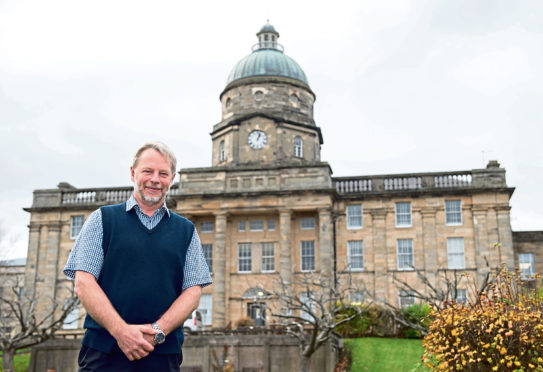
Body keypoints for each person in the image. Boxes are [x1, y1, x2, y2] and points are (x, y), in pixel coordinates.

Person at [64, 141, 212, 372]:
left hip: (162, 353)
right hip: (104, 350)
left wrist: (157, 332)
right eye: (148, 171)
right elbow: (83, 283)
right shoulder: (102, 219)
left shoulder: (186, 230)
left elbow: (193, 292)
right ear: (133, 173)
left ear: (171, 179)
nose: (155, 179)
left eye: (163, 173)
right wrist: (121, 332)